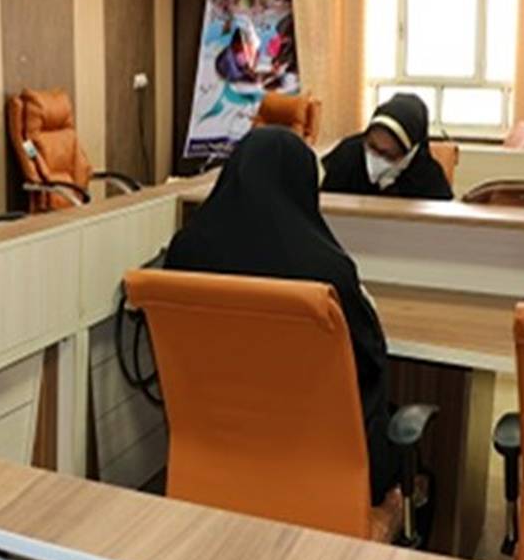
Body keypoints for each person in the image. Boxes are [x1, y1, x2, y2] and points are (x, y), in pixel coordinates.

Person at [163, 127, 397, 505]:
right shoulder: (327, 270)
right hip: (319, 465)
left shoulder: (184, 251)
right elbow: (368, 357)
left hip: (217, 458)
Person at [321, 93, 454, 200]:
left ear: (410, 153)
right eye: (371, 146)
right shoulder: (347, 156)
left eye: (388, 155)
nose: (375, 158)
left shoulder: (428, 177)